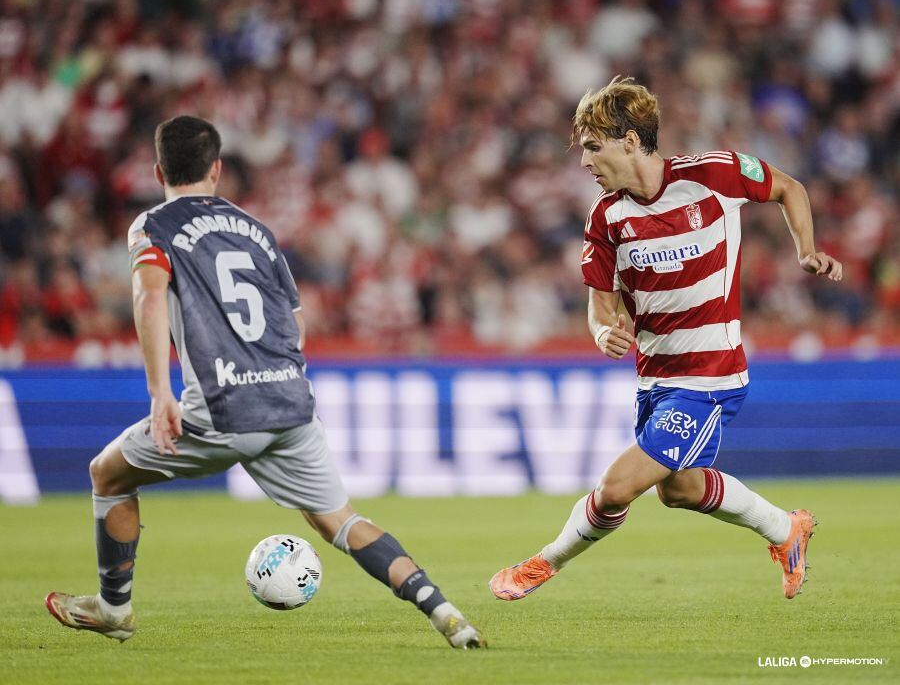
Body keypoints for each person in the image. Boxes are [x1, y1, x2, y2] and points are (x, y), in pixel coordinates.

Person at [45, 115, 485, 650]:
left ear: (159, 170)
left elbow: (150, 294)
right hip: (290, 403)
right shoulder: (257, 230)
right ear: (217, 168)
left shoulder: (152, 225)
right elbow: (296, 324)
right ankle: (445, 612)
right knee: (340, 522)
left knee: (107, 475)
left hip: (222, 408)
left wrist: (161, 390)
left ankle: (114, 608)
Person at [489, 76, 842, 602]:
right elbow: (600, 304)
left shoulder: (714, 175)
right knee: (679, 490)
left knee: (616, 488)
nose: (584, 162)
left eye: (592, 146)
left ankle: (543, 563)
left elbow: (791, 188)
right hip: (656, 377)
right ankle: (786, 529)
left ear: (630, 141)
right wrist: (603, 331)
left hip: (710, 374)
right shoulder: (607, 218)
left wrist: (805, 250)